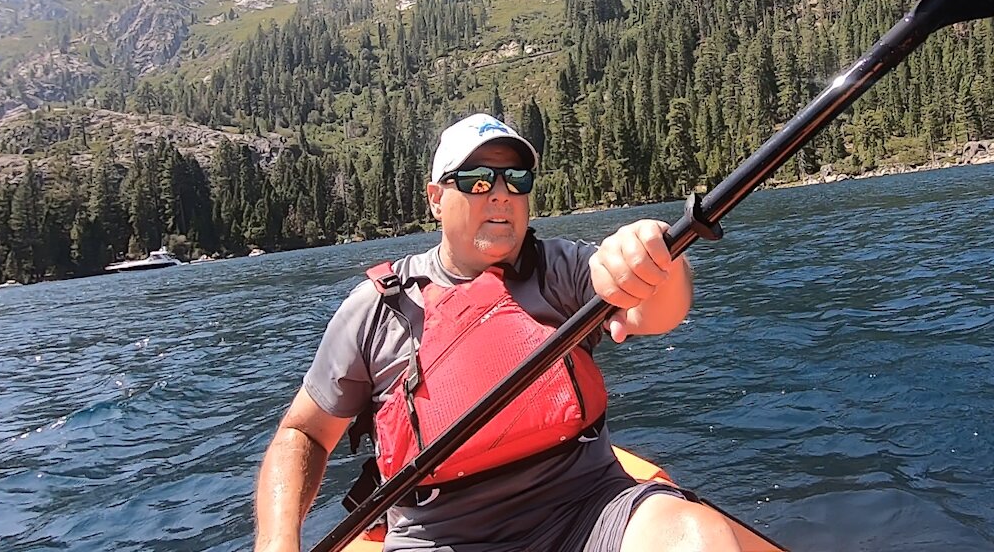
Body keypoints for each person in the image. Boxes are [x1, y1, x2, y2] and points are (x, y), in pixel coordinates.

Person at [254, 113, 740, 552]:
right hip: (439, 537)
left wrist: (657, 258)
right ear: (436, 199)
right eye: (478, 179)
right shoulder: (376, 310)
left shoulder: (562, 269)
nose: (502, 192)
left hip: (587, 509)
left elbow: (656, 313)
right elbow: (305, 432)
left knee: (699, 538)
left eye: (516, 178)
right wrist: (279, 542)